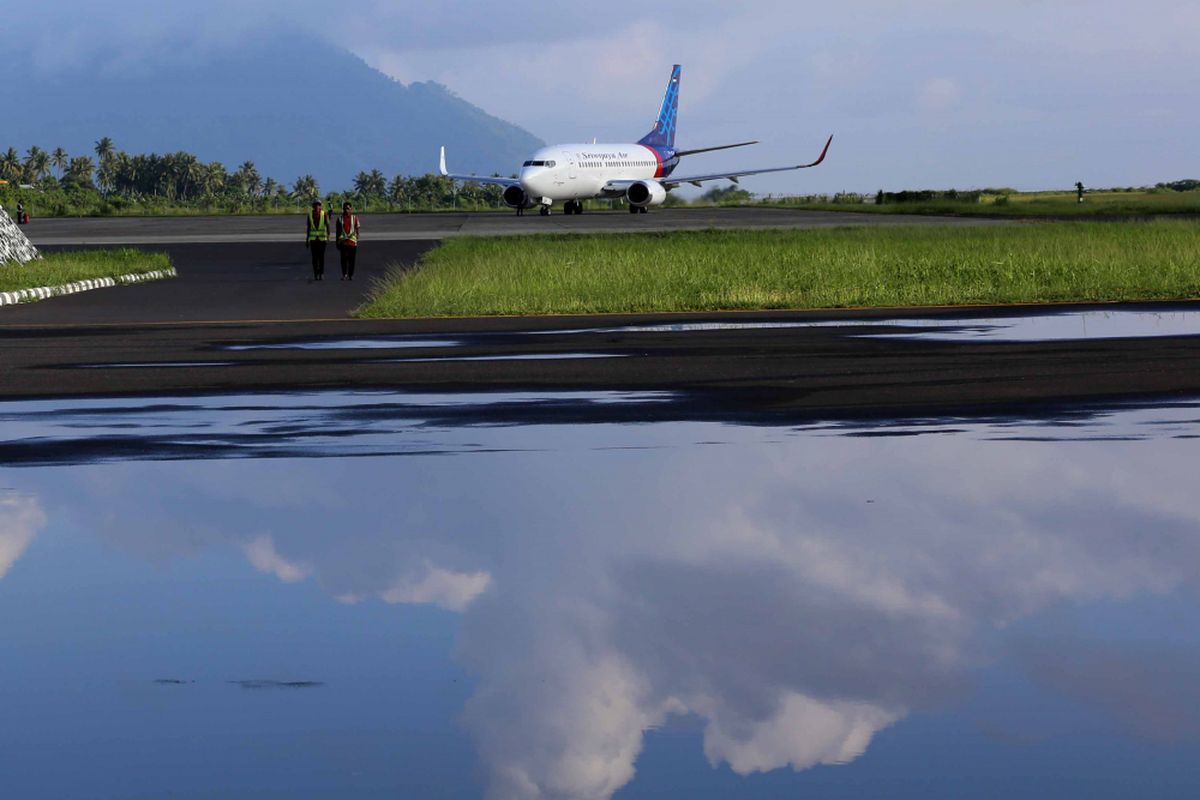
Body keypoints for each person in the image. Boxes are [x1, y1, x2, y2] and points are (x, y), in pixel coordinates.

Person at [335, 201, 361, 280]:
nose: (346, 210)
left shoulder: (355, 218)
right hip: (343, 243)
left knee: (352, 260)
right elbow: (338, 232)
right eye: (345, 209)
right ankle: (344, 274)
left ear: (351, 209)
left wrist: (357, 237)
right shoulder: (339, 219)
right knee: (343, 260)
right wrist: (337, 242)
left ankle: (351, 275)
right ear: (343, 209)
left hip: (352, 243)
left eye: (348, 208)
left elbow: (357, 229)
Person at [305, 200, 330, 280]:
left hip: (322, 239)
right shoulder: (309, 215)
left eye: (318, 205)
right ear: (313, 206)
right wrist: (307, 239)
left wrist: (328, 236)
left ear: (320, 206)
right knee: (314, 258)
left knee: (321, 257)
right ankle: (316, 273)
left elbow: (328, 225)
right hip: (313, 240)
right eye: (315, 205)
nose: (317, 206)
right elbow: (308, 227)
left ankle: (321, 273)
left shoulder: (324, 214)